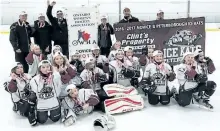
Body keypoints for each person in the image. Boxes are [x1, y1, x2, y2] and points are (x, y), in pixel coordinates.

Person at [29, 60, 62, 125]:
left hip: (53, 103)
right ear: (39, 69)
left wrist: (54, 73)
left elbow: (58, 90)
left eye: (47, 67)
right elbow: (36, 92)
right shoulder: (35, 80)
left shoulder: (55, 76)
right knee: (41, 121)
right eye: (43, 67)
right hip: (42, 105)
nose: (46, 69)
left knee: (56, 119)